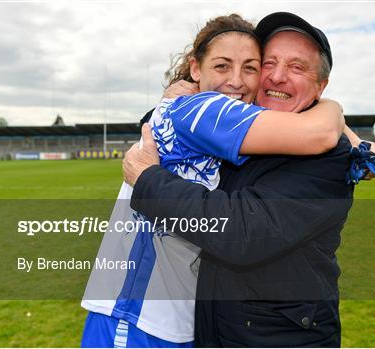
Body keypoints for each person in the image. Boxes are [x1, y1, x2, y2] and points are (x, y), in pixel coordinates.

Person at [81, 13, 355, 348]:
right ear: (196, 70)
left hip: (189, 324)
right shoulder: (202, 110)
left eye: (250, 67)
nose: (237, 81)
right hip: (138, 315)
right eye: (223, 66)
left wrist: (348, 132)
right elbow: (321, 131)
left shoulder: (245, 132)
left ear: (320, 84)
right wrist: (333, 114)